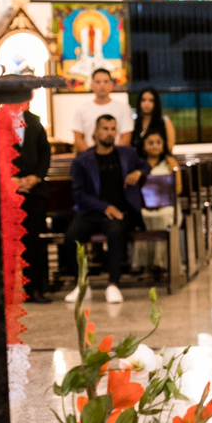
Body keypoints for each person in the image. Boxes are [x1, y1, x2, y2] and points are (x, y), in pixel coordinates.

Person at [62, 115, 150, 304]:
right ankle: (82, 285)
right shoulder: (82, 160)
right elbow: (78, 194)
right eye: (105, 128)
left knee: (115, 234)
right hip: (90, 212)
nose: (110, 133)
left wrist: (137, 172)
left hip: (119, 212)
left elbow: (146, 165)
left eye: (113, 129)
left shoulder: (126, 153)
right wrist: (103, 207)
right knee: (71, 237)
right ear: (95, 132)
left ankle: (113, 284)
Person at [12, 106, 51, 304]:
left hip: (33, 191)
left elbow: (45, 152)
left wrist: (36, 177)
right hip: (7, 192)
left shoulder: (34, 121)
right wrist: (10, 179)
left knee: (34, 242)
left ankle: (35, 288)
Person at [131, 131, 178, 274]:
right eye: (150, 143)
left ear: (163, 145)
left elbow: (178, 188)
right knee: (141, 217)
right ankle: (140, 262)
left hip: (167, 205)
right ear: (144, 146)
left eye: (158, 142)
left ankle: (160, 262)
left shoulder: (170, 162)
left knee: (164, 217)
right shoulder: (138, 164)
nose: (155, 146)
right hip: (145, 206)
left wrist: (163, 191)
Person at [72, 68, 133, 151]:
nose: (102, 85)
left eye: (106, 81)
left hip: (116, 156)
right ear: (92, 85)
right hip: (89, 156)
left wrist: (111, 155)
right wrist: (90, 155)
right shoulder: (81, 110)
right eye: (98, 82)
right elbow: (78, 139)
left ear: (111, 85)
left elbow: (126, 138)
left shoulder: (123, 109)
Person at [131, 87, 176, 156]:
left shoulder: (164, 121)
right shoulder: (134, 122)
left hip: (160, 160)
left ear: (156, 103)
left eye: (151, 100)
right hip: (138, 161)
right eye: (143, 100)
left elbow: (169, 147)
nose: (146, 103)